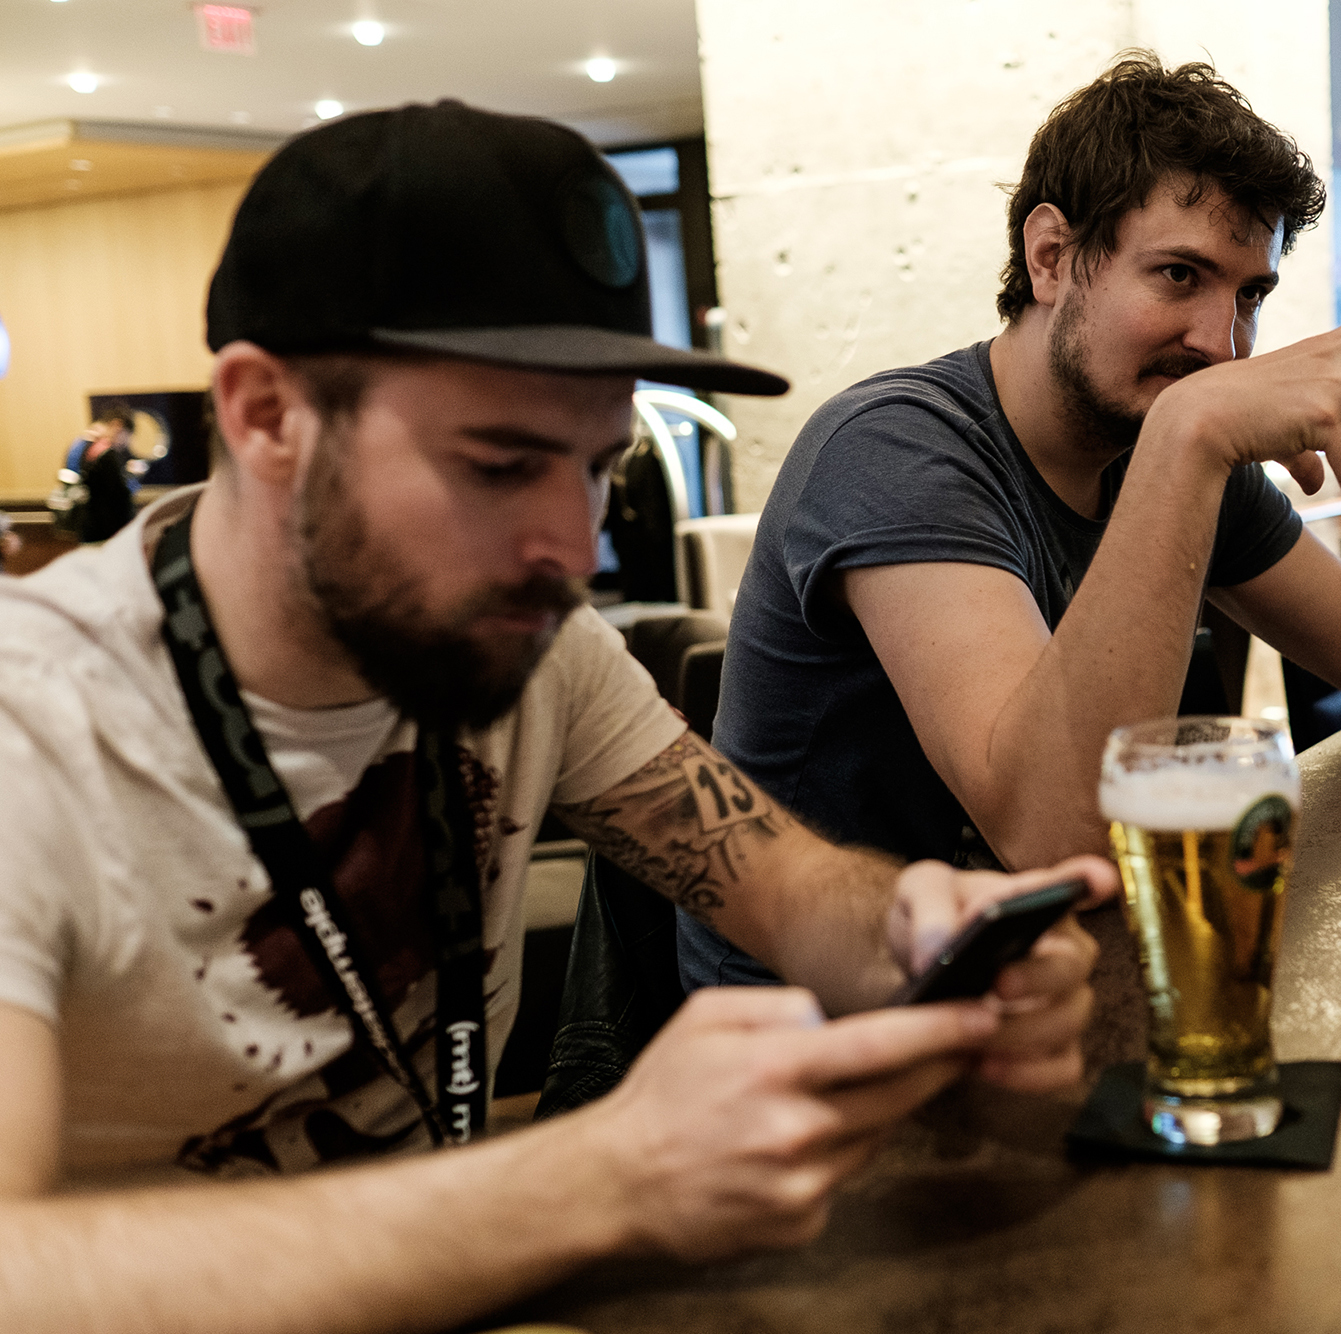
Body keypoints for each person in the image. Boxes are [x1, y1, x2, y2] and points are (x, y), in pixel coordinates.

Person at [0, 100, 1114, 1334]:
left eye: (595, 467)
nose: (572, 549)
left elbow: (788, 888)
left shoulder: (533, 648)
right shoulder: (31, 723)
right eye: (497, 465)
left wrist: (919, 937)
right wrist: (597, 1174)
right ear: (267, 415)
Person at [684, 53, 1341, 988]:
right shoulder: (896, 450)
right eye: (1178, 275)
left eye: (1249, 295)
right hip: (813, 1028)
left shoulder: (1156, 440)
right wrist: (1192, 434)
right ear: (1051, 257)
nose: (1221, 342)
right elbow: (1058, 841)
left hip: (1039, 985)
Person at [60, 405, 138, 543]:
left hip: (90, 524)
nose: (126, 443)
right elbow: (120, 495)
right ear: (118, 425)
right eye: (127, 435)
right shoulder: (107, 453)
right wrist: (132, 477)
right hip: (108, 528)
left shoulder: (86, 448)